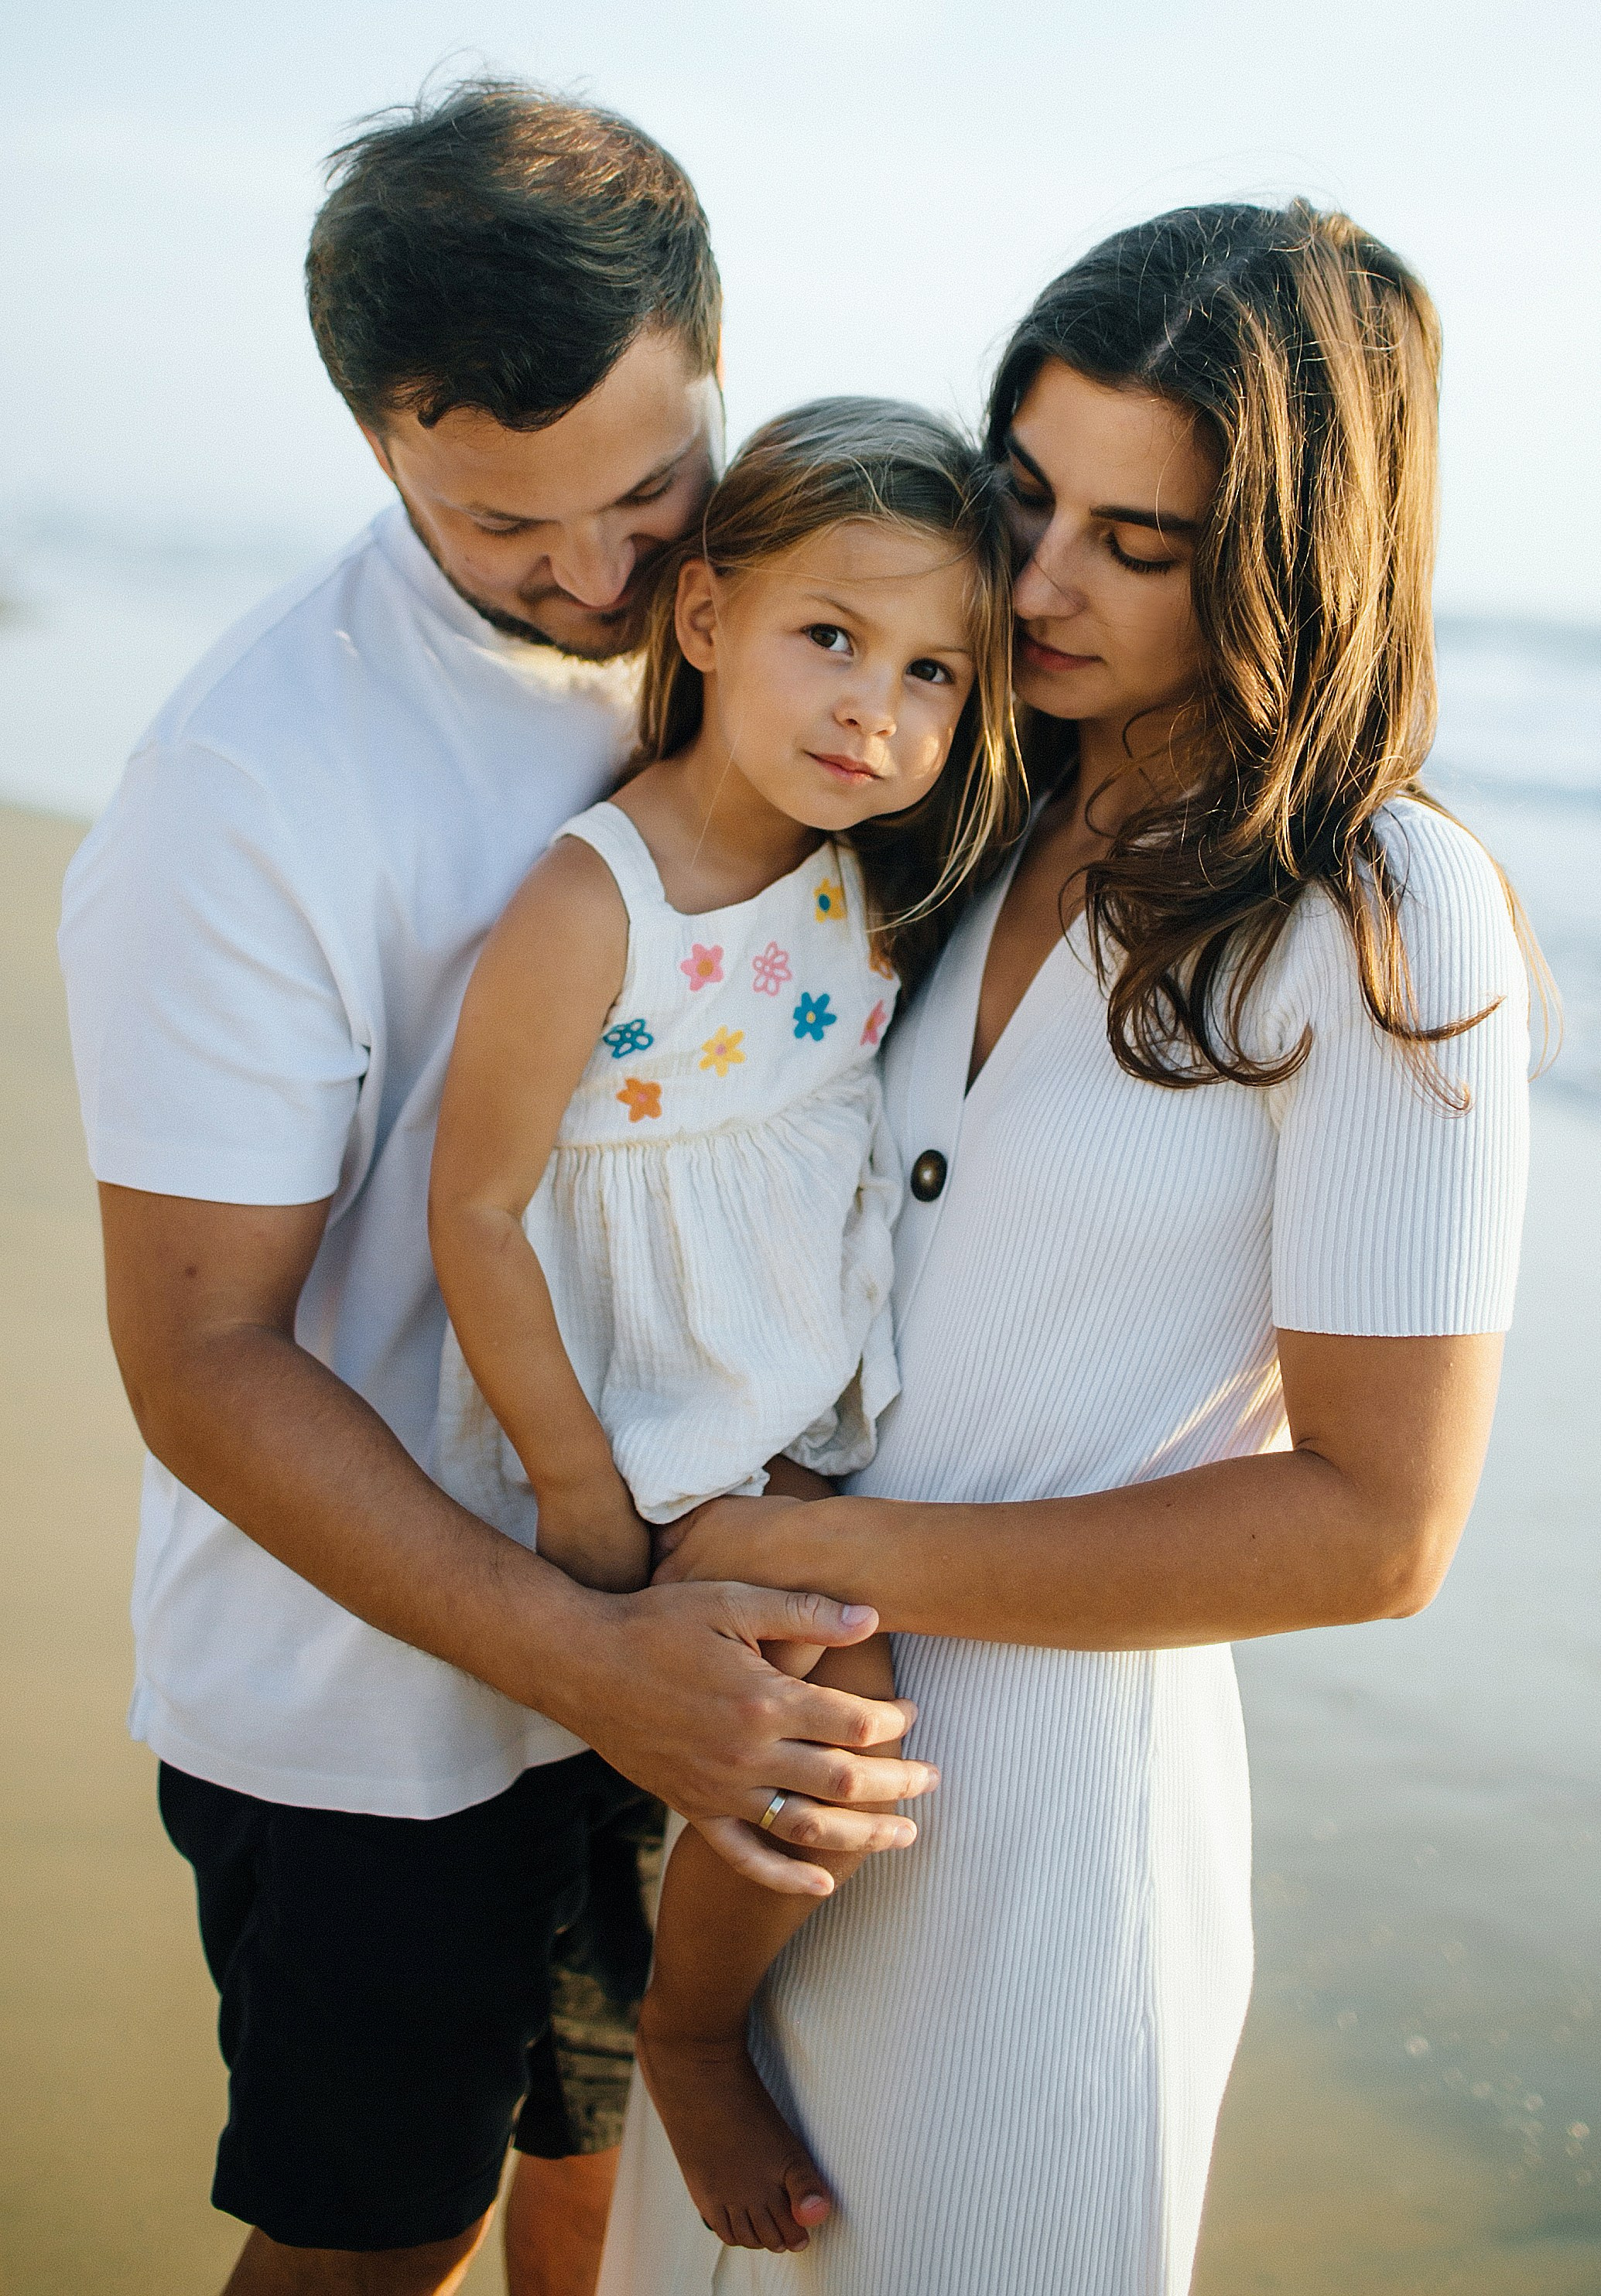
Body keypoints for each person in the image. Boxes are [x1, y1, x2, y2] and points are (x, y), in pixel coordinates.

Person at [599, 202, 1534, 2295]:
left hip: (1040, 1872)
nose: (1035, 585)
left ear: (1292, 552)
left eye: (1139, 539)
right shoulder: (964, 796)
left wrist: (842, 1559)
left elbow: (1377, 1529)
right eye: (1024, 499)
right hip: (763, 1806)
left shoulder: (1384, 919)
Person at [57, 84, 934, 2296]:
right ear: (381, 447)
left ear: (710, 372)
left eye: (645, 491)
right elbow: (195, 1359)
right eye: (495, 522)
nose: (592, 573)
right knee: (376, 2247)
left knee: (602, 2212)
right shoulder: (249, 786)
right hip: (371, 1710)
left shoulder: (753, 631)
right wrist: (589, 1654)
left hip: (666, 1637)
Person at [428, 397, 1021, 2260]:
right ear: (703, 621)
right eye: (829, 635)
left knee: (596, 1990)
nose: (877, 705)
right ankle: (697, 2031)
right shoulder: (592, 899)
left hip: (796, 1409)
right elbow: (475, 1209)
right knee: (835, 1723)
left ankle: (644, 2034)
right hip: (655, 1436)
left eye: (934, 669)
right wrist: (580, 1493)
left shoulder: (860, 873)